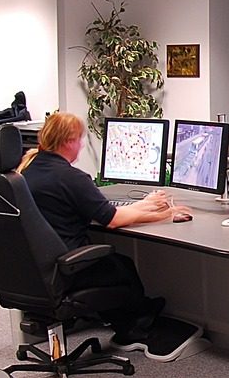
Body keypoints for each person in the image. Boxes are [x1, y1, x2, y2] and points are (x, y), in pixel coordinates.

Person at [18, 112, 193, 359]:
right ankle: (135, 326)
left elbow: (107, 212)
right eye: (79, 139)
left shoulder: (28, 171)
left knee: (116, 265)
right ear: (69, 141)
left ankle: (131, 321)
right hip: (66, 269)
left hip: (36, 269)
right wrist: (165, 215)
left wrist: (147, 204)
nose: (80, 145)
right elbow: (112, 219)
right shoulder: (70, 177)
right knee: (121, 267)